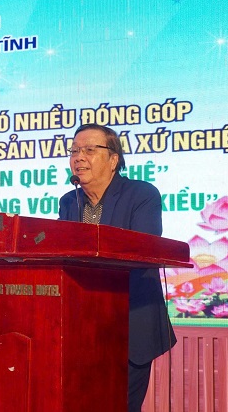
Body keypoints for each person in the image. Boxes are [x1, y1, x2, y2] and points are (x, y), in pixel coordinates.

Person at [58, 123, 176, 412]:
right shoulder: (69, 202)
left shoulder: (142, 194)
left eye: (89, 149)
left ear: (113, 160)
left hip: (130, 326)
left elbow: (142, 251)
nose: (78, 157)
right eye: (74, 151)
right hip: (82, 330)